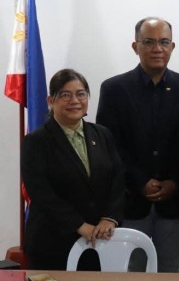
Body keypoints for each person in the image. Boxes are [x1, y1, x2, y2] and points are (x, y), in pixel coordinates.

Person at [96, 17, 179, 272]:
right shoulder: (114, 89)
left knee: (170, 272)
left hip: (173, 202)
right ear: (135, 46)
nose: (157, 49)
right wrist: (140, 180)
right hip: (130, 200)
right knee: (131, 273)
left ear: (172, 46)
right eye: (149, 42)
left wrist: (174, 182)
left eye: (164, 42)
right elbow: (109, 145)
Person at [22, 69, 124, 270]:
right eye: (65, 95)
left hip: (98, 240)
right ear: (51, 100)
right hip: (52, 243)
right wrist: (78, 225)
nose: (74, 101)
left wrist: (110, 217)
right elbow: (40, 192)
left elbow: (118, 178)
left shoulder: (102, 134)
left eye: (81, 94)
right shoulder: (36, 141)